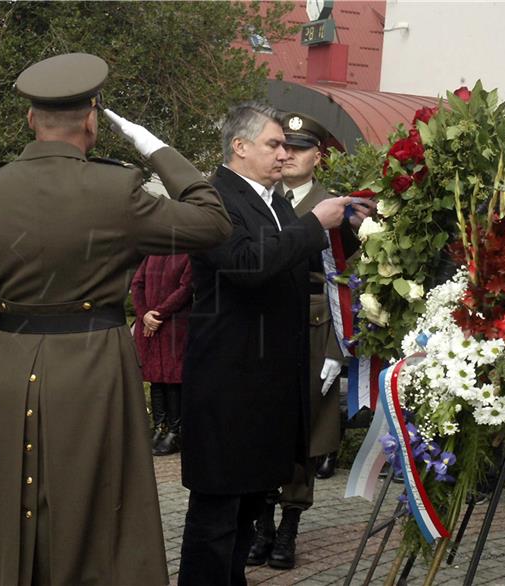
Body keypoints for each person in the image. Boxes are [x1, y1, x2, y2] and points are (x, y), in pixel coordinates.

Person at [0, 53, 232, 586]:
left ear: (31, 118)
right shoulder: (116, 190)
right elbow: (214, 221)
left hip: (8, 365)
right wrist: (155, 146)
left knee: (12, 512)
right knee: (101, 511)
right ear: (92, 120)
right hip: (95, 361)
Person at [177, 102, 370, 586]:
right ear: (239, 147)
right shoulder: (213, 197)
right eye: (274, 144)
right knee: (216, 514)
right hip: (228, 383)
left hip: (264, 383)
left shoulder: (273, 199)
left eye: (287, 145)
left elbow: (295, 265)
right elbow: (245, 264)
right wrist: (313, 225)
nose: (284, 153)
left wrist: (344, 223)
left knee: (246, 507)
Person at [247, 112, 354, 570]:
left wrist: (336, 349)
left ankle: (289, 526)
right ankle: (262, 526)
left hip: (314, 327)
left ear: (319, 156)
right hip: (267, 325)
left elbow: (348, 281)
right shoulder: (263, 199)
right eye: (281, 146)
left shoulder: (332, 205)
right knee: (261, 426)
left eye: (298, 147)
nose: (286, 154)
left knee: (301, 433)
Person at [132, 253, 192, 456]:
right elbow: (137, 284)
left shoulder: (188, 254)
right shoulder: (151, 254)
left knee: (173, 378)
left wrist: (156, 315)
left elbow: (185, 288)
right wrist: (144, 314)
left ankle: (175, 431)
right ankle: (160, 427)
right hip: (150, 326)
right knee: (155, 378)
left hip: (173, 326)